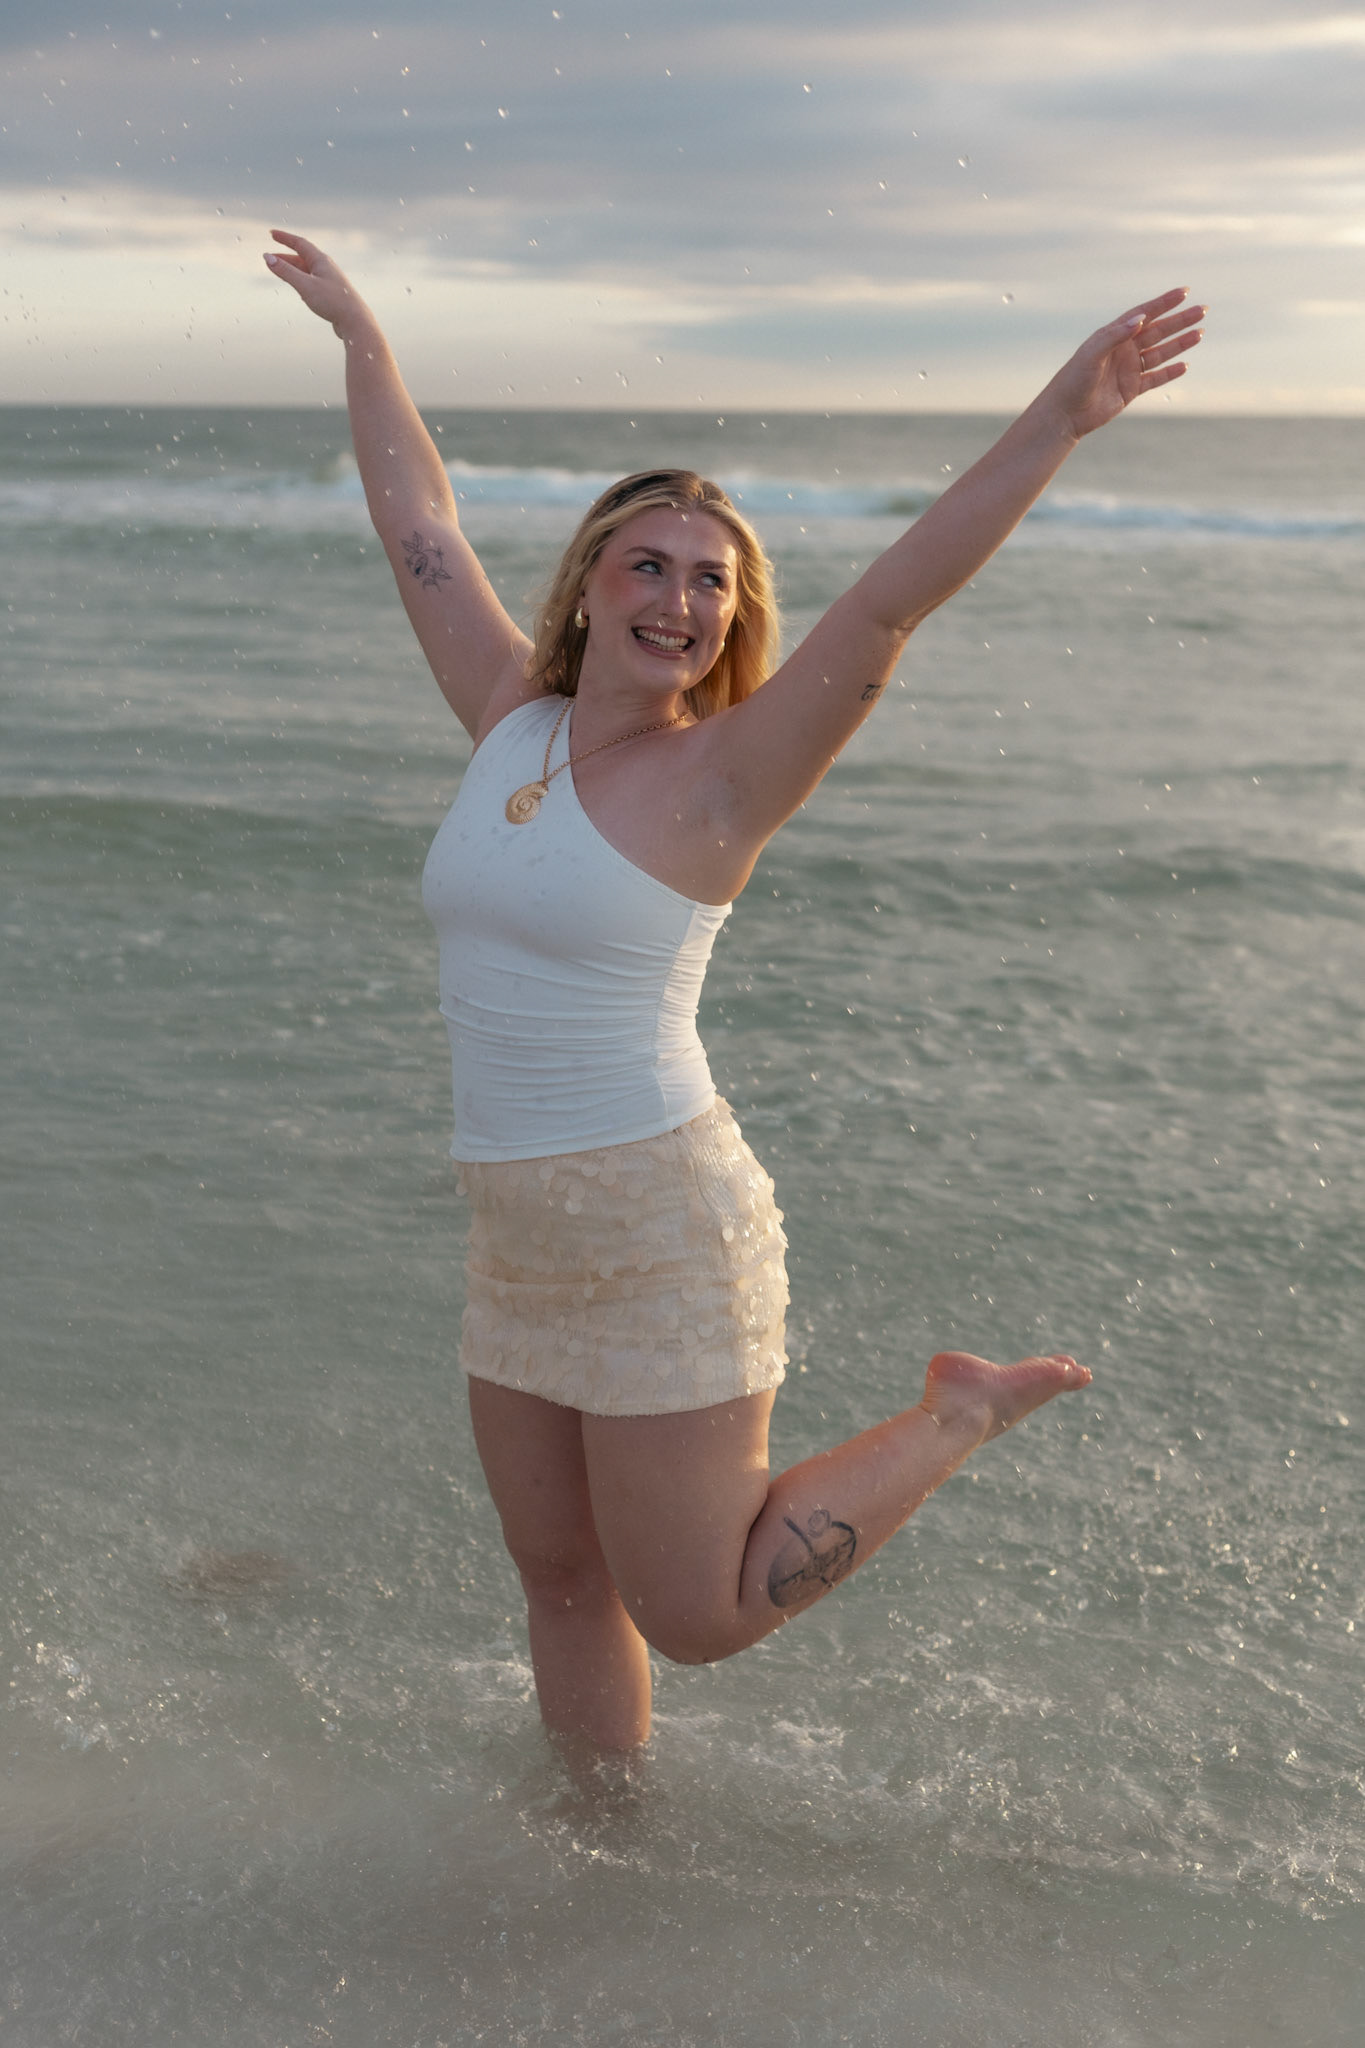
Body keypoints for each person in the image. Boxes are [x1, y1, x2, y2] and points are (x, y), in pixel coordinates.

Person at [266, 230, 1203, 1755]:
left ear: (730, 617)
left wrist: (1058, 419)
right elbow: (416, 520)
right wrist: (362, 334)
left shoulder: (727, 776)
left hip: (659, 1222)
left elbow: (888, 605)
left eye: (711, 581)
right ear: (587, 588)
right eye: (648, 565)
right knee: (559, 1579)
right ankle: (595, 1845)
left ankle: (956, 1414)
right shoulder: (509, 720)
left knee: (697, 1615)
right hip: (512, 1222)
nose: (680, 599)